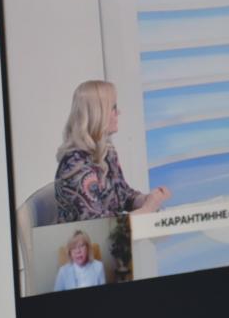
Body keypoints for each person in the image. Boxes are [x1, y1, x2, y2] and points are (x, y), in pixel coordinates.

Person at [55, 80, 171, 222]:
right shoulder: (74, 167)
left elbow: (124, 195)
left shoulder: (107, 152)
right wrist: (147, 210)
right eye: (114, 107)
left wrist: (147, 199)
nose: (118, 112)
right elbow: (102, 227)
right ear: (98, 113)